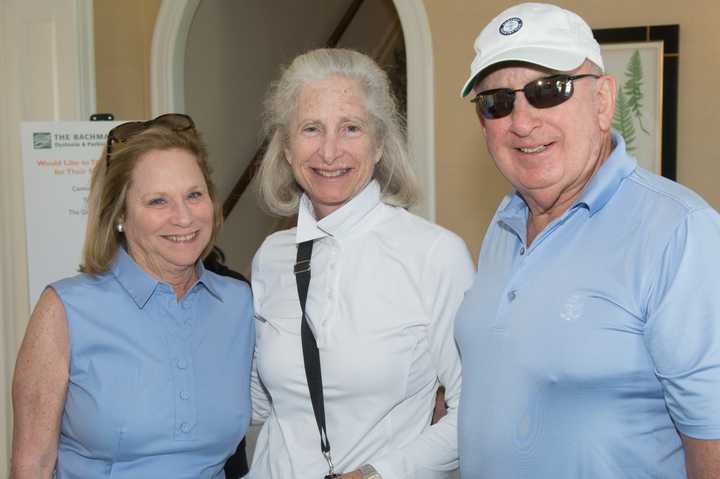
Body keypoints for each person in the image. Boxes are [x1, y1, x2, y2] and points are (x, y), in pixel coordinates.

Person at [454, 3, 720, 478]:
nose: (521, 121)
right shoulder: (505, 222)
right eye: (496, 102)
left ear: (602, 102)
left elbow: (712, 438)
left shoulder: (679, 230)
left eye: (547, 91)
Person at [249, 48, 474, 479]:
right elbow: (259, 404)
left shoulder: (434, 254)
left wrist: (378, 474)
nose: (329, 151)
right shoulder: (271, 257)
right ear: (288, 147)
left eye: (351, 128)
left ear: (379, 145)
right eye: (311, 128)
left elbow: (473, 413)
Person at [11, 114, 254, 478]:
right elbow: (33, 464)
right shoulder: (66, 309)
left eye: (194, 195)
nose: (184, 217)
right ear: (120, 215)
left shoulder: (239, 304)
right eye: (158, 201)